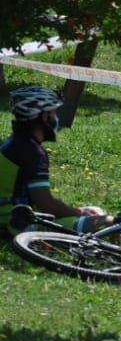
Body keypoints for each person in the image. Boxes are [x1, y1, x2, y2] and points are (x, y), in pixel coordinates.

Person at [1, 84, 110, 235]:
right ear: (44, 117)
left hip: (11, 216)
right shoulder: (33, 152)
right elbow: (48, 206)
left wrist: (79, 211)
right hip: (14, 226)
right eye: (54, 113)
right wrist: (79, 212)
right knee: (105, 222)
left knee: (95, 211)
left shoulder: (12, 143)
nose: (56, 118)